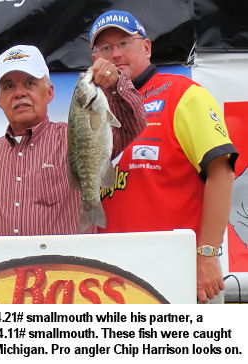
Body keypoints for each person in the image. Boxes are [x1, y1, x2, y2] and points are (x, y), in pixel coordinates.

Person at [90, 10, 238, 303]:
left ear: (146, 47)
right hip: (110, 279)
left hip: (178, 271)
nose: (115, 54)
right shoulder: (92, 109)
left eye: (124, 43)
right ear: (95, 59)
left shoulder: (182, 93)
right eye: (105, 48)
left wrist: (207, 254)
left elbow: (221, 173)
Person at [0, 44, 146, 236]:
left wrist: (115, 83)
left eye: (30, 83)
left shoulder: (76, 136)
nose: (19, 93)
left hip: (68, 266)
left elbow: (133, 124)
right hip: (4, 266)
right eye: (9, 86)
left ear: (50, 92)